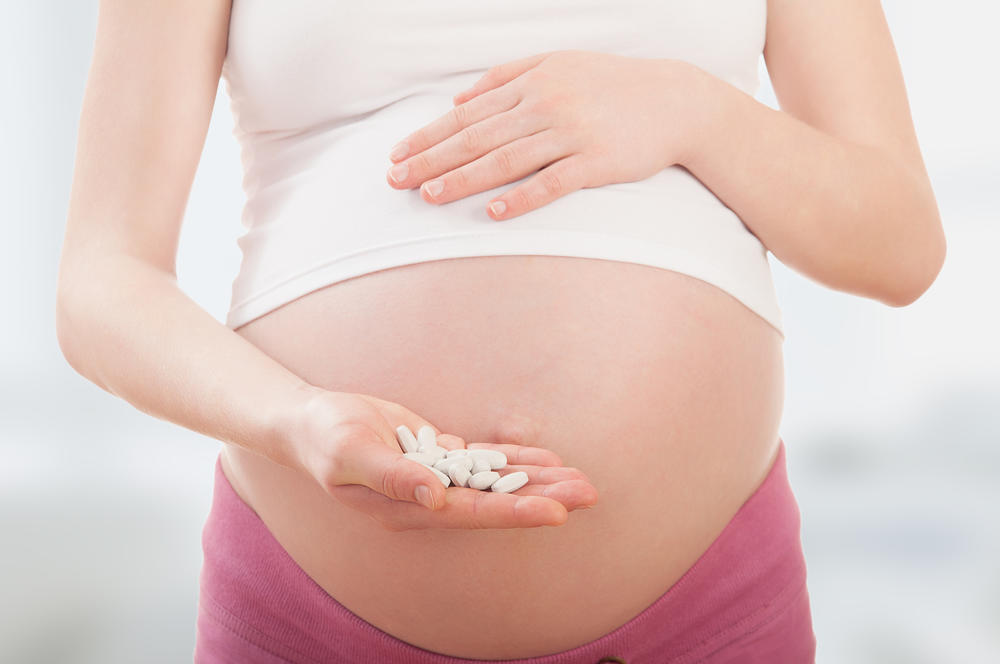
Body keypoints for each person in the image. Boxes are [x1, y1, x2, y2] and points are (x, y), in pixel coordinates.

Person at [56, 0, 945, 662]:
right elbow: (100, 285)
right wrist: (296, 420)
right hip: (312, 611)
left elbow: (900, 244)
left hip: (702, 616)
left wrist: (694, 110)